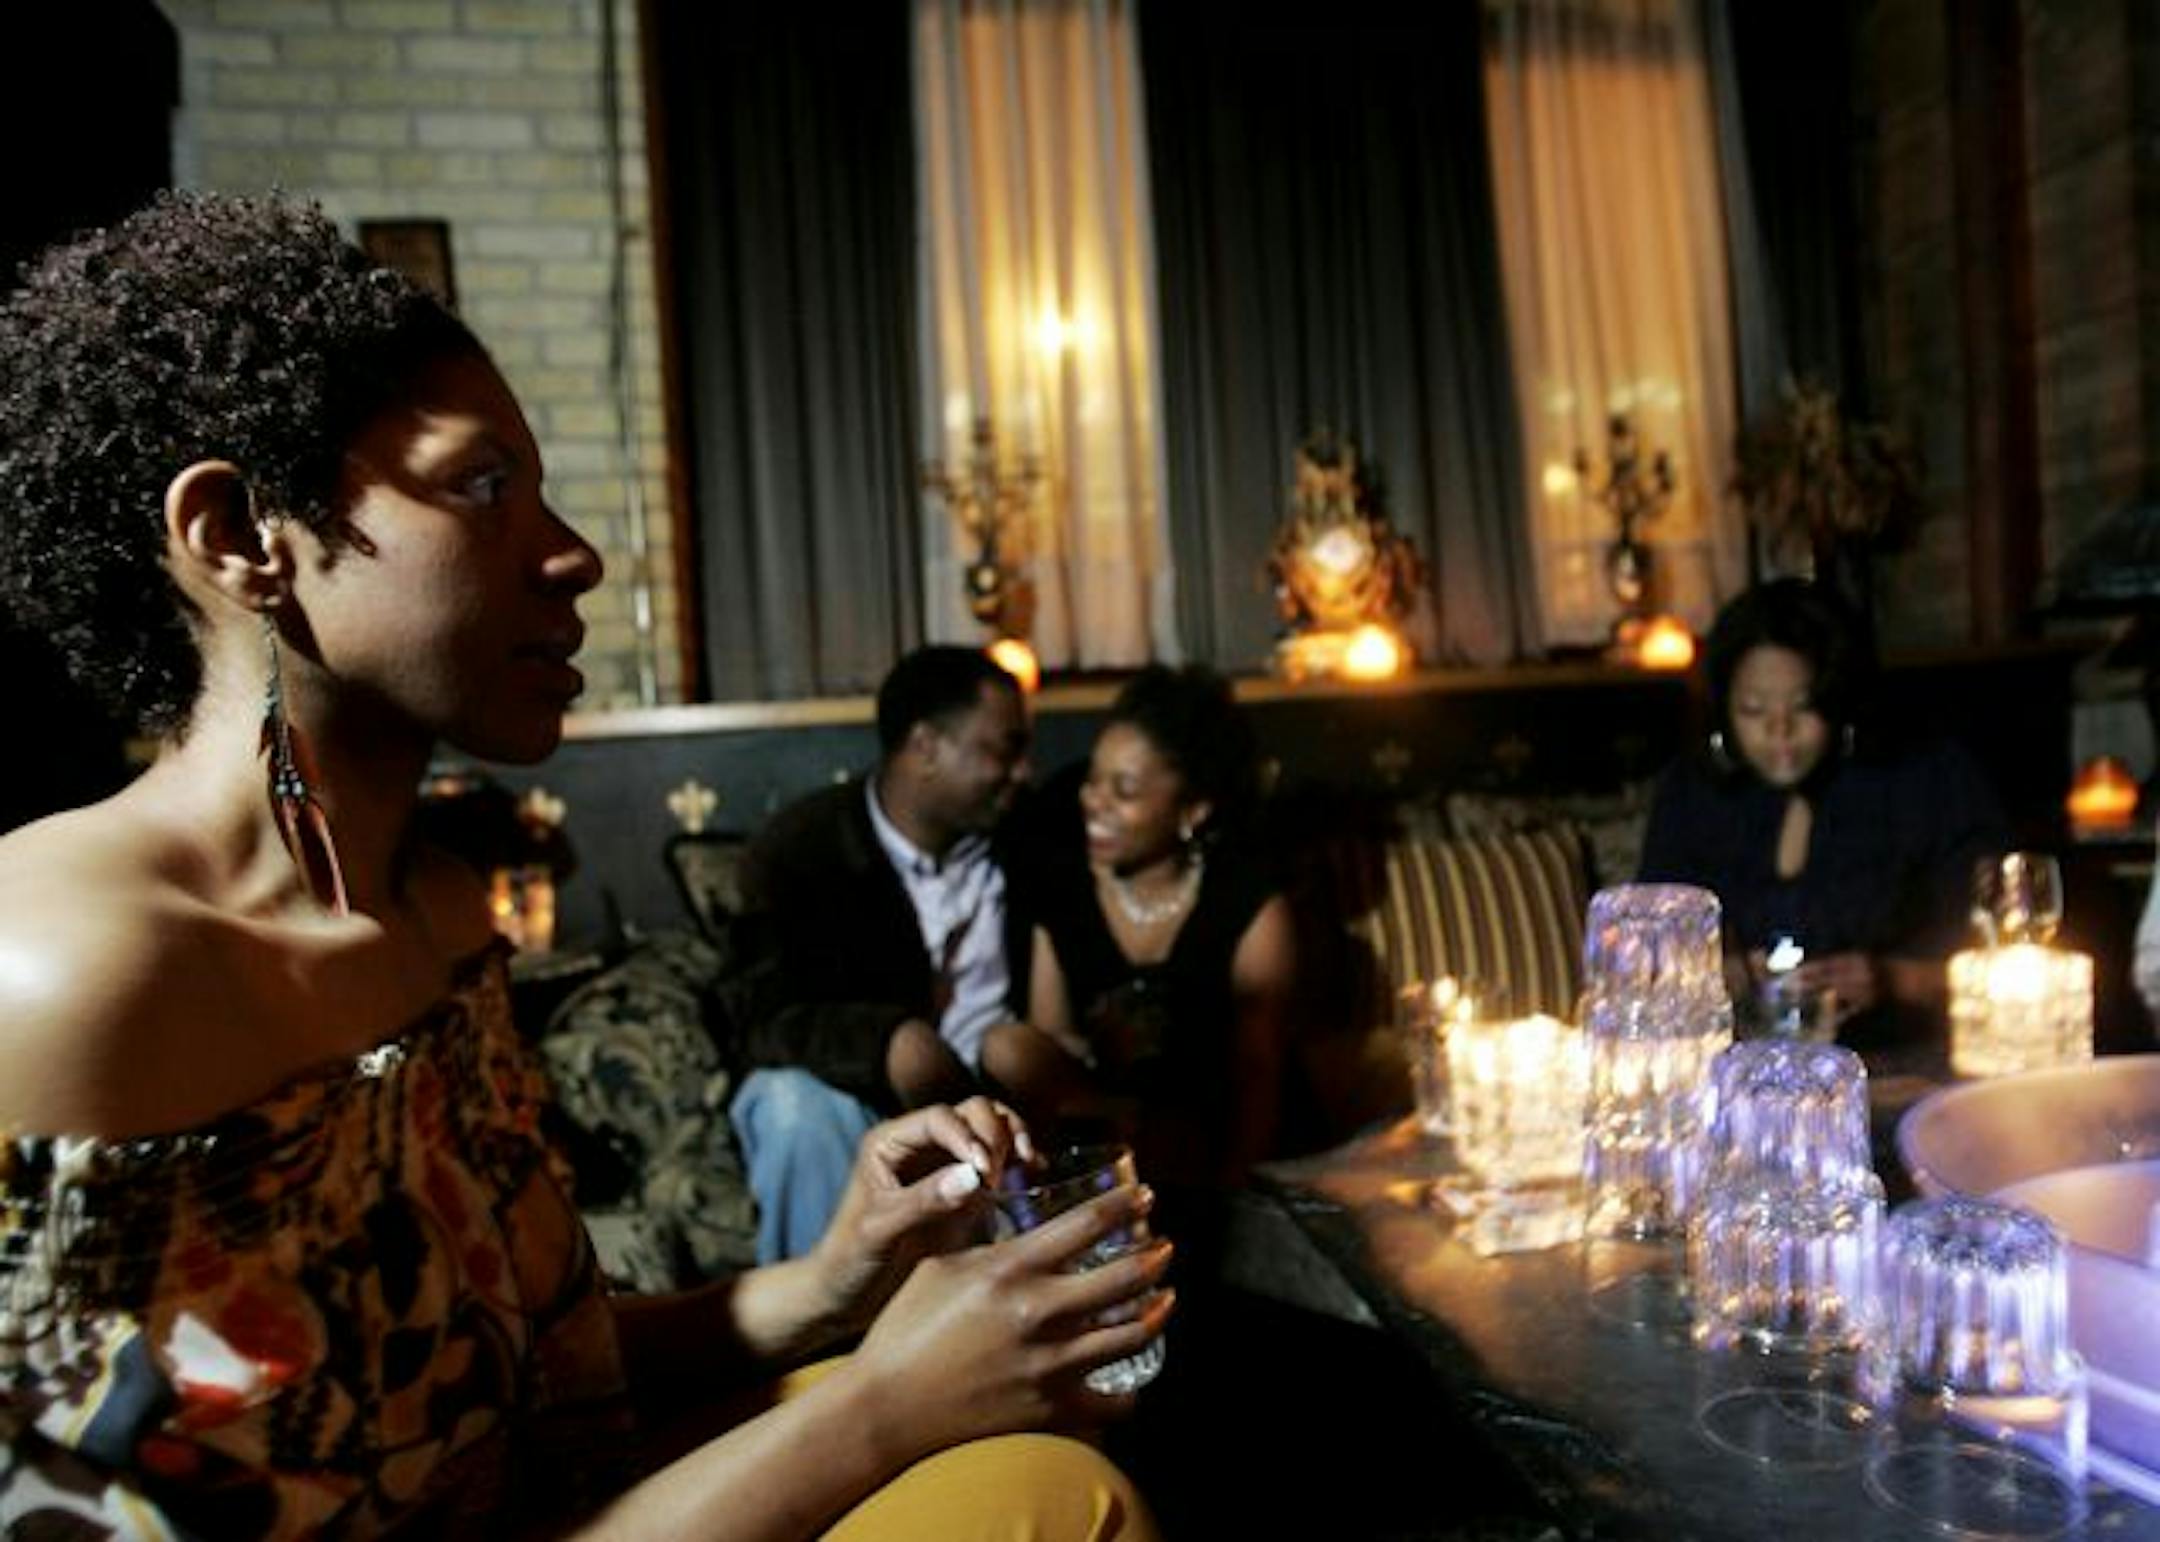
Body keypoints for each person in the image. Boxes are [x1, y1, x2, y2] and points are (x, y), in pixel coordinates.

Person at [0, 191, 1168, 1541]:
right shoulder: (64, 970)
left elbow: (517, 1381)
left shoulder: (436, 908)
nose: (575, 556)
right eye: (481, 485)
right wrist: (880, 1404)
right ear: (240, 535)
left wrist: (836, 1280)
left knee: (1050, 1452)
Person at [728, 647, 1036, 1263]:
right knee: (793, 1107)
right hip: (865, 1108)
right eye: (1001, 751)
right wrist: (890, 1041)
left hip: (1009, 1108)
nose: (1022, 772)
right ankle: (829, 1345)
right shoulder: (802, 851)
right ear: (923, 747)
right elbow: (756, 1019)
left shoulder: (1033, 839)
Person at [1636, 578, 2010, 1048]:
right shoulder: (1692, 792)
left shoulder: (1928, 778)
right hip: (1744, 1071)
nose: (1780, 731)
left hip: (1907, 1060)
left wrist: (1893, 979)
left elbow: (2005, 960)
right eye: (1753, 711)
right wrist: (1709, 977)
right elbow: (1647, 951)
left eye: (1803, 706)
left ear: (1840, 702)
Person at [984, 666, 1296, 1191]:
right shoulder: (1065, 893)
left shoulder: (1246, 904)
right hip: (1107, 1122)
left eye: (1123, 790)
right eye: (1093, 780)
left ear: (1192, 810)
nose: (1093, 803)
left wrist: (1237, 1192)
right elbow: (1051, 1040)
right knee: (1006, 1046)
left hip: (1211, 1122)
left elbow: (1258, 1074)